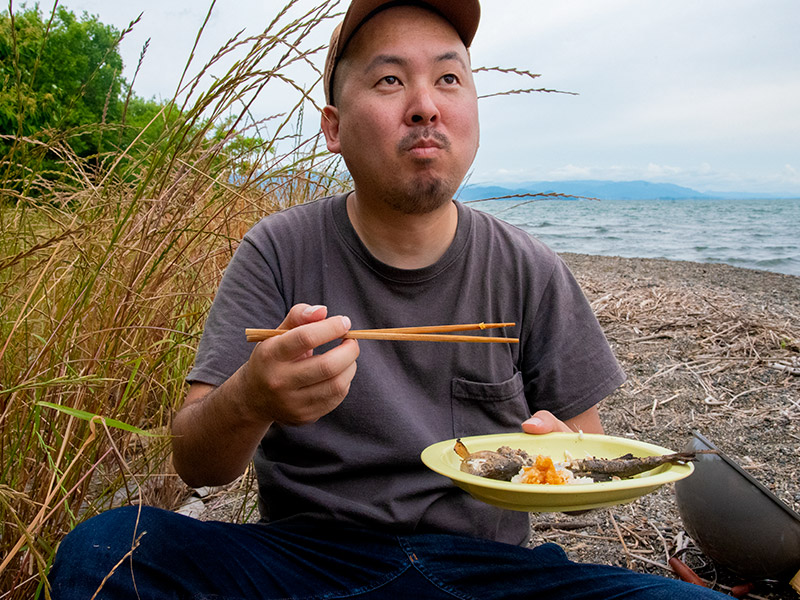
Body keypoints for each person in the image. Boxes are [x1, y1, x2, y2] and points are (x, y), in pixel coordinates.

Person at [49, 1, 729, 598]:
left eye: (449, 78)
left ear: (473, 118)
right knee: (104, 554)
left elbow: (587, 451)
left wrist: (569, 461)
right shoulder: (278, 249)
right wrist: (251, 397)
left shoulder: (529, 267)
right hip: (307, 563)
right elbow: (197, 461)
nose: (426, 103)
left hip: (488, 572)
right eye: (390, 79)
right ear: (335, 127)